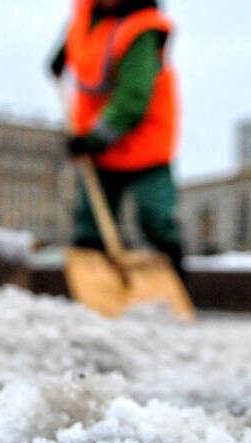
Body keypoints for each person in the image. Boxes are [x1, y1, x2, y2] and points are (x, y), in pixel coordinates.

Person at [50, 0, 186, 281]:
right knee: (91, 224)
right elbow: (78, 43)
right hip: (99, 141)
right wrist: (61, 56)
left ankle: (174, 281)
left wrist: (93, 140)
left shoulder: (142, 28)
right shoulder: (84, 16)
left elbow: (133, 99)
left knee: (155, 216)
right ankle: (94, 286)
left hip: (144, 139)